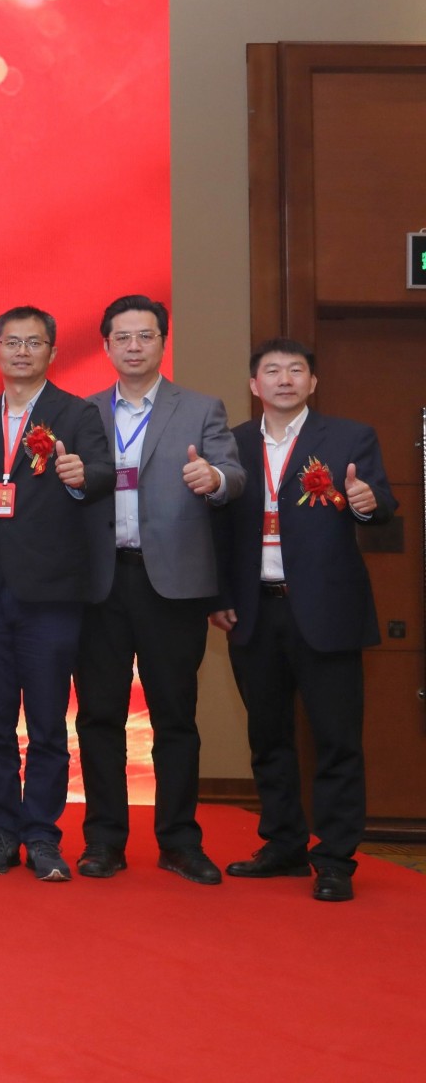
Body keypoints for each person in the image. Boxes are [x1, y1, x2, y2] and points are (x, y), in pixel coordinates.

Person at [213, 338, 395, 903]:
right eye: (272, 371)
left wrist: (365, 502)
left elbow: (381, 506)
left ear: (313, 383)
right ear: (254, 385)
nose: (285, 379)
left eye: (296, 370)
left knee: (336, 739)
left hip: (326, 610)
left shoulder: (348, 438)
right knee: (268, 737)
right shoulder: (234, 444)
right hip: (254, 609)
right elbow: (218, 529)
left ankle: (336, 859)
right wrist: (219, 595)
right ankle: (283, 845)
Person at [76, 296, 244, 885]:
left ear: (162, 342)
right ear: (106, 346)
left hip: (171, 584)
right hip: (100, 584)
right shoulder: (83, 412)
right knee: (99, 716)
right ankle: (104, 841)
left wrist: (213, 477)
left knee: (175, 717)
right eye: (122, 337)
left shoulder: (200, 409)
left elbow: (234, 475)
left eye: (145, 336)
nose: (134, 346)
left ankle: (179, 842)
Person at [0, 307, 112, 882]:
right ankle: (0, 834)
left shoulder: (77, 414)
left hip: (52, 594)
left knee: (46, 722)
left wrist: (81, 476)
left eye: (33, 343)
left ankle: (41, 835)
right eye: (11, 342)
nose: (21, 352)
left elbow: (102, 474)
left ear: (52, 352)